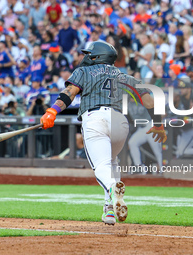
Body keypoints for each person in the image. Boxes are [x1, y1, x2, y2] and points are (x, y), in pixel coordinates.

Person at [40, 41, 167, 225]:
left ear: (97, 56)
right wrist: (158, 125)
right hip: (120, 122)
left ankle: (113, 187)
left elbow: (69, 92)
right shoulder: (124, 75)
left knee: (100, 166)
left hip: (95, 118)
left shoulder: (84, 71)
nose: (86, 57)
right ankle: (109, 210)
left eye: (89, 54)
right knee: (111, 162)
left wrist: (52, 111)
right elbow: (148, 100)